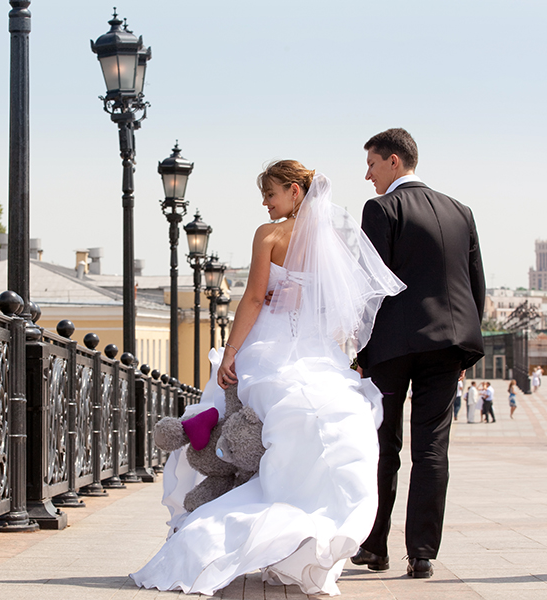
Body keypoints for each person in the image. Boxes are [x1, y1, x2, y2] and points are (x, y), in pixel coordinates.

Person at [131, 162, 404, 596]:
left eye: (271, 194)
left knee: (223, 416)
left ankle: (209, 526)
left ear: (295, 191)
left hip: (271, 347)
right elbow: (336, 309)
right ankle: (297, 547)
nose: (265, 203)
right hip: (318, 352)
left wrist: (232, 352)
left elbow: (255, 297)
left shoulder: (269, 235)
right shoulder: (330, 241)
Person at [350, 129, 485, 580]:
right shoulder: (460, 211)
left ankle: (374, 546)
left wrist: (362, 351)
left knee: (382, 446)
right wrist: (462, 348)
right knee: (432, 450)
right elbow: (474, 284)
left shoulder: (382, 208)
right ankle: (423, 553)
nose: (367, 175)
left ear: (393, 161)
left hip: (392, 346)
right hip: (447, 345)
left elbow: (370, 286)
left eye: (371, 164)